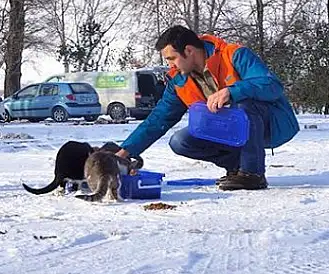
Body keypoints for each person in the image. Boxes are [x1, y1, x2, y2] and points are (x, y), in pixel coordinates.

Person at [116, 25, 300, 190]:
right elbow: (158, 119)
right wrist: (126, 151)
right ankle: (238, 168)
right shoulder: (178, 80)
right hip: (229, 131)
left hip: (270, 125)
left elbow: (272, 85)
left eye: (172, 58)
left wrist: (232, 91)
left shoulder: (234, 54)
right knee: (180, 141)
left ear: (188, 50)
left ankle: (252, 174)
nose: (170, 65)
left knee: (243, 103)